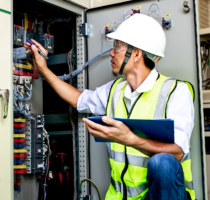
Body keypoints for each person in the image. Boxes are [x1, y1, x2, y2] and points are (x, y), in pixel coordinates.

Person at [24, 14, 194, 200]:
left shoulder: (176, 91)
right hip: (119, 196)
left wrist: (130, 139)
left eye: (117, 47)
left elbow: (177, 153)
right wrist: (44, 69)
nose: (111, 53)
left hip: (159, 196)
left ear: (136, 54)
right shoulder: (115, 90)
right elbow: (79, 100)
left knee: (163, 163)